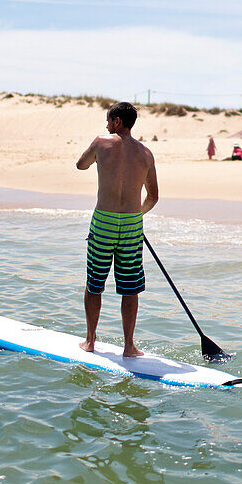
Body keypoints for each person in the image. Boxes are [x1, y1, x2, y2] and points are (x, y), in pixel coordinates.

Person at [76, 101, 159, 357]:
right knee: (130, 287)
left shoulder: (102, 142)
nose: (106, 125)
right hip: (132, 224)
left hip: (104, 222)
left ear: (117, 122)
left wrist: (98, 160)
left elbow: (80, 164)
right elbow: (153, 197)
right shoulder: (145, 153)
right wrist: (136, 215)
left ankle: (90, 341)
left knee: (94, 283)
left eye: (108, 120)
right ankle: (129, 346)